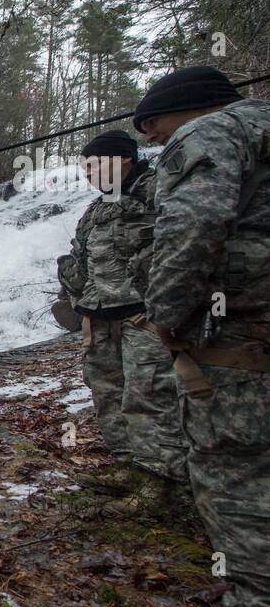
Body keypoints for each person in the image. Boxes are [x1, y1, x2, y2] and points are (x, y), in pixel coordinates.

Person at [133, 65, 270, 607]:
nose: (155, 145)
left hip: (241, 346)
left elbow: (193, 227)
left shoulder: (209, 133)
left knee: (235, 470)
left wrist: (165, 314)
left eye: (153, 129)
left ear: (181, 110)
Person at [56, 130, 188, 483]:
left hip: (143, 318)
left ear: (123, 159)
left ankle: (160, 481)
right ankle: (126, 467)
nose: (87, 172)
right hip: (98, 319)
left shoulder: (160, 191)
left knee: (150, 395)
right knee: (107, 394)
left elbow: (187, 245)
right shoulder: (96, 208)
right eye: (84, 166)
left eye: (94, 164)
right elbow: (80, 260)